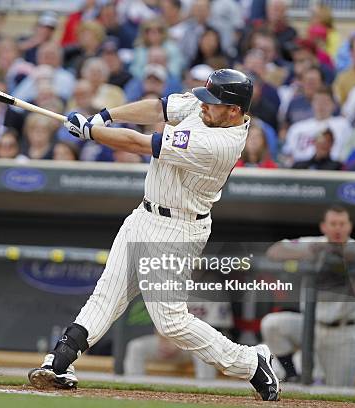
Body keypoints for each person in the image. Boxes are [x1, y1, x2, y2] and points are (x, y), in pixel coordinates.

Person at [27, 69, 281, 401]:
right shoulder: (206, 108)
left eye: (214, 103)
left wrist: (92, 133)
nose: (204, 106)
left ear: (235, 111)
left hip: (178, 228)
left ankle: (250, 361)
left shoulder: (220, 143)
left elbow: (139, 143)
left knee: (171, 321)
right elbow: (158, 109)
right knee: (107, 293)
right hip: (144, 214)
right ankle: (60, 362)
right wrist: (105, 115)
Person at [262, 206, 355, 386]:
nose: (338, 228)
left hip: (343, 333)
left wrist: (343, 260)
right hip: (310, 326)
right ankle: (291, 374)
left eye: (342, 224)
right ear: (324, 226)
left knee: (340, 393)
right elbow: (274, 251)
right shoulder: (315, 243)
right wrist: (310, 252)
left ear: (349, 226)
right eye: (333, 224)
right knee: (273, 324)